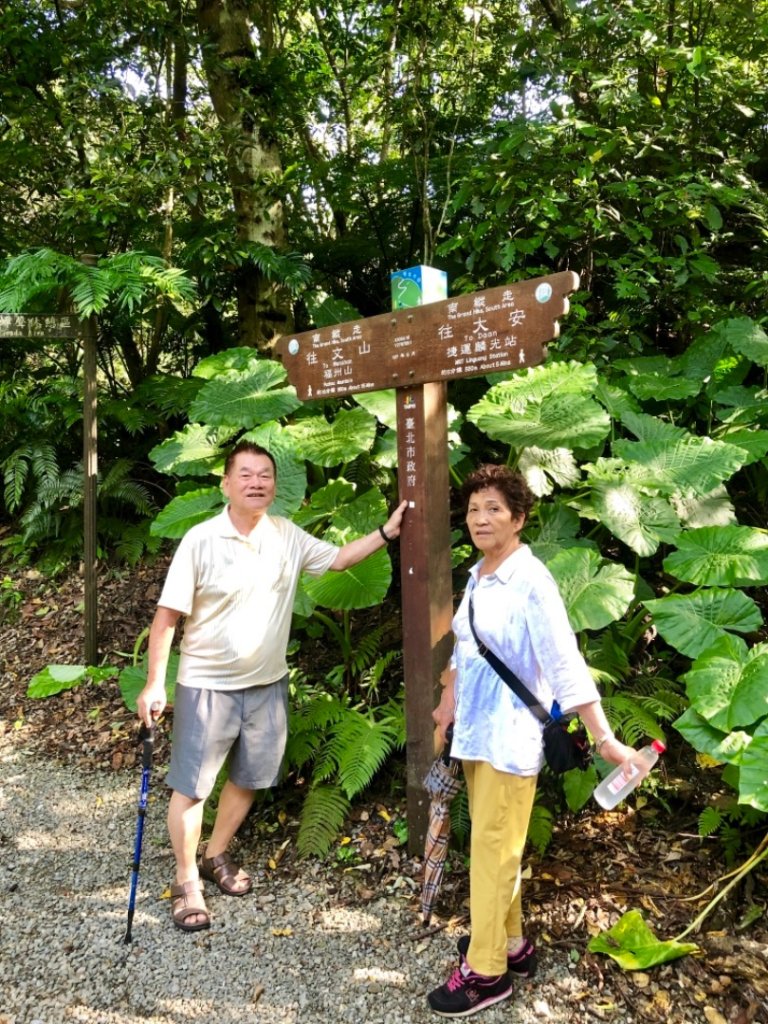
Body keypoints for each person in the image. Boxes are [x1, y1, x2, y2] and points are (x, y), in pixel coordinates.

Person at [137, 440, 407, 932]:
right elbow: (167, 618)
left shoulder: (287, 535)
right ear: (226, 483)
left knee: (249, 777)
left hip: (267, 684)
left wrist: (386, 532)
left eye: (264, 475)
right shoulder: (200, 539)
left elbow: (341, 560)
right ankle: (185, 880)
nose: (256, 482)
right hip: (206, 686)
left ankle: (216, 854)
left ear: (274, 486)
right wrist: (156, 683)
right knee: (192, 788)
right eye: (245, 474)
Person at [428, 464, 636, 1017]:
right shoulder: (480, 574)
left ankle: (487, 972)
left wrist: (606, 739)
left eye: (495, 508)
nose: (481, 518)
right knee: (498, 848)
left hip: (511, 736)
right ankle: (512, 944)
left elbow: (565, 665)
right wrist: (446, 705)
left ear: (519, 517)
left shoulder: (531, 581)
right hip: (476, 731)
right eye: (474, 508)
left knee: (492, 853)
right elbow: (465, 647)